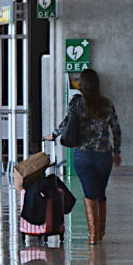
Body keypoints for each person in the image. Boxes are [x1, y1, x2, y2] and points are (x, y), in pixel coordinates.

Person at [48, 69, 121, 245]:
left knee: (90, 193)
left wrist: (53, 135)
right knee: (100, 193)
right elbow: (116, 129)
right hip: (103, 156)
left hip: (83, 156)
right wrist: (117, 151)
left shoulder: (77, 103)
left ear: (82, 85)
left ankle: (93, 235)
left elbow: (66, 123)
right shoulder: (107, 104)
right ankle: (100, 231)